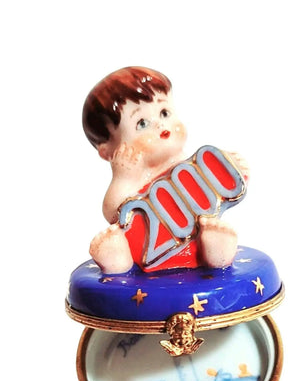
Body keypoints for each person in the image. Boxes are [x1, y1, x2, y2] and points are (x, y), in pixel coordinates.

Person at [82, 66, 247, 274]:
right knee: (121, 239)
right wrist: (124, 177)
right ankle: (116, 258)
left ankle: (217, 248)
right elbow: (113, 210)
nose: (160, 126)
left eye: (164, 113)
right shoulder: (130, 182)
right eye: (142, 123)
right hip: (145, 248)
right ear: (108, 151)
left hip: (193, 241)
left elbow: (216, 184)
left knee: (207, 225)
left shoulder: (189, 166)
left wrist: (231, 167)